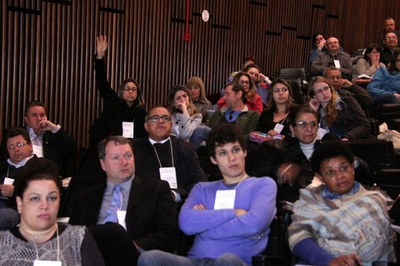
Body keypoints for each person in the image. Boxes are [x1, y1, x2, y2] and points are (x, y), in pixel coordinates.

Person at [137, 124, 277, 266]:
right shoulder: (202, 189)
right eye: (223, 153)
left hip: (234, 261)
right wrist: (233, 213)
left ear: (245, 152)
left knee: (226, 260)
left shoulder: (263, 185)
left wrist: (204, 224)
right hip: (195, 261)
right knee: (150, 258)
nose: (231, 158)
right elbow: (186, 224)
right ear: (213, 159)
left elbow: (253, 226)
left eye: (235, 150)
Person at [70, 136, 178, 264]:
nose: (124, 162)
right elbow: (74, 236)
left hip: (135, 256)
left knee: (116, 233)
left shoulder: (156, 190)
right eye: (116, 158)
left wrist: (133, 245)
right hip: (93, 256)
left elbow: (169, 234)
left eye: (128, 156)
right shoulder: (86, 196)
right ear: (103, 164)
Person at [288, 141, 396, 265]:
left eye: (344, 168)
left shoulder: (373, 201)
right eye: (330, 172)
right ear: (320, 177)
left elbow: (381, 244)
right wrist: (329, 261)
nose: (340, 176)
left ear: (352, 168)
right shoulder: (310, 201)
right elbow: (297, 238)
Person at [0, 161, 104, 265]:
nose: (45, 205)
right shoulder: (2, 244)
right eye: (35, 198)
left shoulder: (78, 239)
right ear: (20, 203)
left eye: (52, 198)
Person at [132, 106, 207, 201]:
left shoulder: (186, 149)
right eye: (155, 118)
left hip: (179, 208)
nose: (161, 121)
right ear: (146, 126)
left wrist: (176, 195)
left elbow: (200, 183)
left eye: (165, 118)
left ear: (171, 125)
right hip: (144, 206)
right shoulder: (133, 149)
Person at [90, 35, 147, 147]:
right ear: (121, 91)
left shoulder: (141, 112)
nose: (130, 91)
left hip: (132, 148)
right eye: (127, 89)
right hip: (108, 144)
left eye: (133, 89)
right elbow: (102, 81)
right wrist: (100, 57)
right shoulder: (113, 101)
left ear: (137, 93)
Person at [0, 127, 58, 230]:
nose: (16, 149)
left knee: (4, 215)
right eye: (11, 147)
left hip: (18, 209)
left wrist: (15, 192)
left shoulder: (44, 166)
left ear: (30, 145)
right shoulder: (3, 166)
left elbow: (47, 192)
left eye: (19, 145)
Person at [0, 101, 76, 178]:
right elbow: (4, 158)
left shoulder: (53, 136)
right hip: (19, 177)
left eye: (42, 115)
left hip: (49, 178)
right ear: (26, 119)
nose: (39, 119)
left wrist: (55, 129)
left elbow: (72, 150)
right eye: (34, 115)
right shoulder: (15, 135)